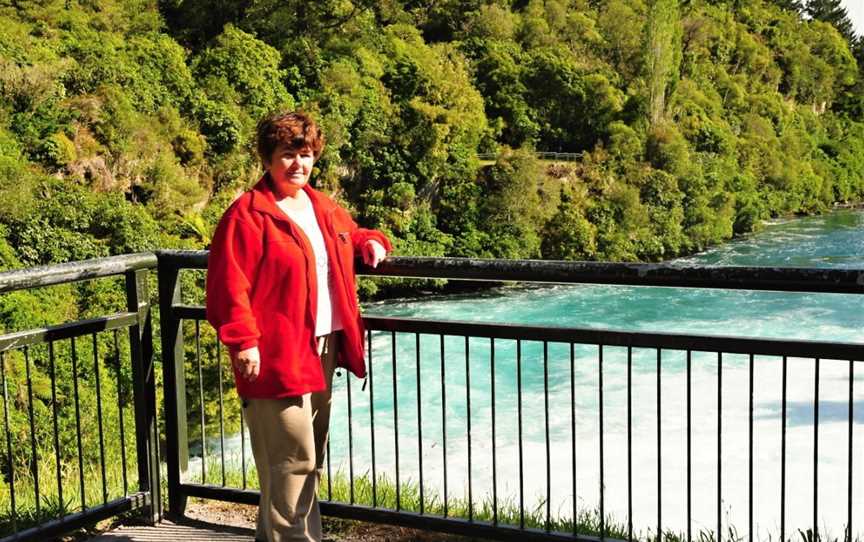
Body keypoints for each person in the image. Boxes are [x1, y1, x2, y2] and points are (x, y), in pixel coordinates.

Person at [206, 111, 391, 542]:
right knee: (293, 461)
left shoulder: (320, 206)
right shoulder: (247, 215)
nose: (298, 164)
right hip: (273, 352)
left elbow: (353, 234)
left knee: (305, 458)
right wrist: (243, 342)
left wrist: (372, 242)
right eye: (288, 154)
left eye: (305, 155)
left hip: (323, 347)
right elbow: (227, 286)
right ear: (268, 158)